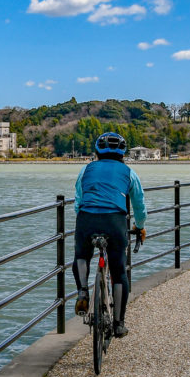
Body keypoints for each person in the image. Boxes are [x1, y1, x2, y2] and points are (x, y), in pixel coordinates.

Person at [72, 132, 147, 338]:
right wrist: (140, 226)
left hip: (87, 218)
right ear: (123, 153)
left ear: (96, 151)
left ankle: (83, 292)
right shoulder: (129, 172)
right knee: (118, 269)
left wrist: (84, 218)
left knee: (81, 255)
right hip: (115, 221)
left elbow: (78, 198)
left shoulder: (86, 169)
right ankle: (118, 324)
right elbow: (139, 205)